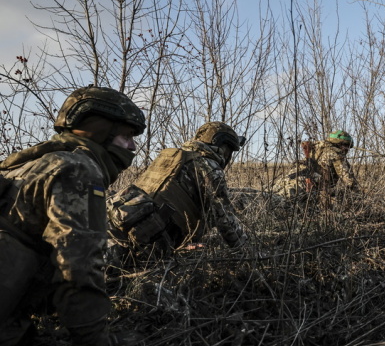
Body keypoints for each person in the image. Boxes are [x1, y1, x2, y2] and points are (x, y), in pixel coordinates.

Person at [0, 86, 146, 345]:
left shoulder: (25, 165)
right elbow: (77, 269)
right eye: (127, 136)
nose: (133, 146)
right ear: (100, 130)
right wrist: (96, 339)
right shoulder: (78, 169)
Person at [107, 121, 248, 260]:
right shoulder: (208, 167)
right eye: (229, 150)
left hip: (118, 223)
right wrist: (247, 252)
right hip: (149, 240)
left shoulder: (171, 157)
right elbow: (225, 219)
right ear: (222, 146)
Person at [272, 130, 359, 207]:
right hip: (302, 190)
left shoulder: (315, 149)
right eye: (346, 145)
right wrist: (359, 197)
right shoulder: (336, 154)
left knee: (269, 198)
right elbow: (350, 181)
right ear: (339, 143)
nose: (347, 149)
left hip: (284, 182)